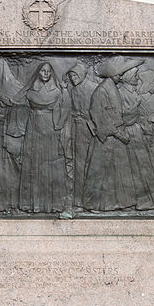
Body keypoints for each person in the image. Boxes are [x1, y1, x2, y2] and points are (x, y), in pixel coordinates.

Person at [8, 62, 71, 213]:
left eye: (48, 71)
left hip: (49, 127)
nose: (46, 74)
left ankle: (52, 204)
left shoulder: (57, 91)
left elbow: (66, 106)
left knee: (50, 164)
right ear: (38, 72)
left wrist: (59, 124)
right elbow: (17, 103)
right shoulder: (30, 91)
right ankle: (32, 204)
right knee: (33, 162)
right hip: (33, 127)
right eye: (43, 71)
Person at [82, 56, 142, 211]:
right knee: (100, 171)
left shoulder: (113, 88)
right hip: (107, 138)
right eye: (118, 74)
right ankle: (94, 204)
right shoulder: (102, 90)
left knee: (119, 171)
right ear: (112, 75)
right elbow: (99, 116)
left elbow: (116, 112)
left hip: (116, 137)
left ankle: (120, 203)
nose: (121, 77)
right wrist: (118, 133)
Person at [0, 57, 25, 212]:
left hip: (8, 134)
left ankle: (12, 203)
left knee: (9, 169)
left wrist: (10, 108)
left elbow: (26, 108)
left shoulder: (14, 87)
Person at [118, 65, 154, 210]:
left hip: (139, 132)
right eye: (135, 76)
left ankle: (149, 200)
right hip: (130, 133)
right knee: (136, 167)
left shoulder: (135, 93)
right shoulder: (124, 93)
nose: (137, 78)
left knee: (144, 167)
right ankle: (139, 201)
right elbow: (123, 115)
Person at [65, 62, 98, 210]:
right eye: (70, 76)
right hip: (78, 130)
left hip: (91, 130)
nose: (72, 78)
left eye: (74, 75)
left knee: (91, 164)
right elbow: (72, 109)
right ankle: (78, 200)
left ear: (82, 74)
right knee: (79, 164)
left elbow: (98, 109)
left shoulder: (92, 87)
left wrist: (86, 118)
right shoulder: (74, 90)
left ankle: (92, 200)